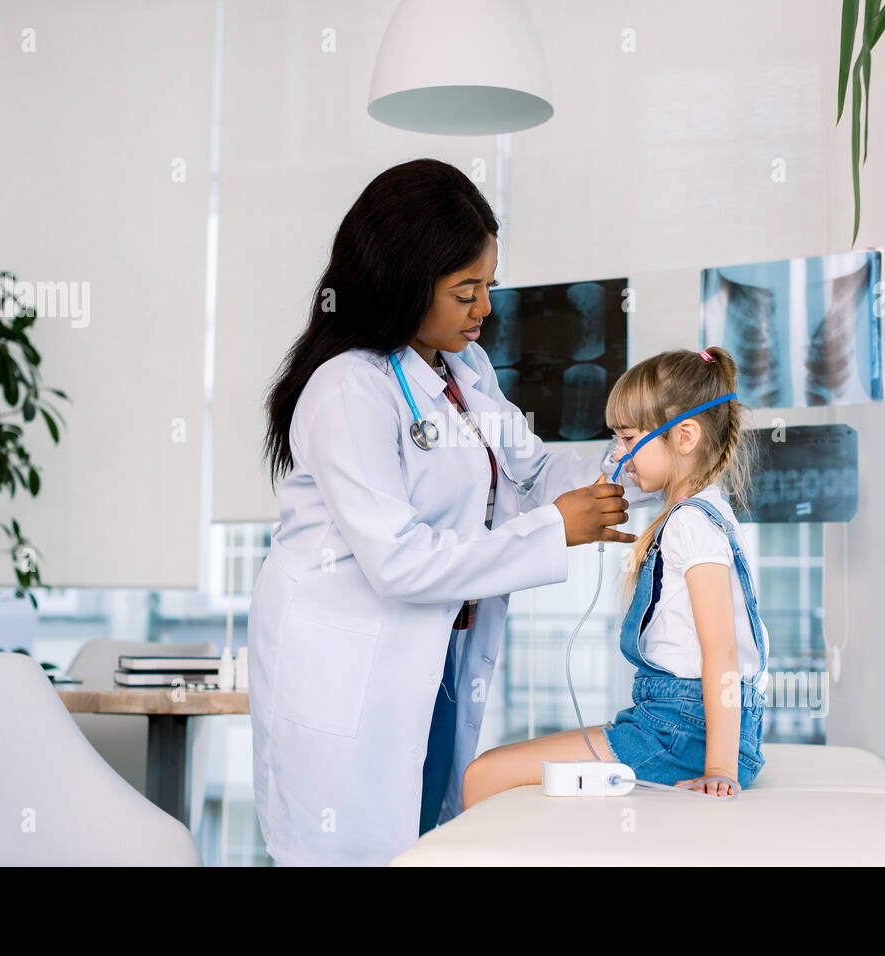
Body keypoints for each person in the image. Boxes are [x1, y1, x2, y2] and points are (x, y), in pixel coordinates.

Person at [249, 158, 645, 866]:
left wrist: (639, 463)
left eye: (487, 286)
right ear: (402, 283)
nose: (485, 310)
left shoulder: (462, 371)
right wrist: (557, 528)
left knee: (426, 839)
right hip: (353, 675)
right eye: (467, 291)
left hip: (433, 661)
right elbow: (400, 560)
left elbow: (532, 470)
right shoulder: (347, 390)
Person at [462, 346, 771, 807]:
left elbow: (721, 653)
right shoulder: (712, 511)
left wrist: (720, 769)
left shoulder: (690, 522)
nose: (617, 455)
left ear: (684, 437)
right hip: (681, 726)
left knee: (483, 774)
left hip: (681, 734)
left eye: (627, 438)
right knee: (489, 771)